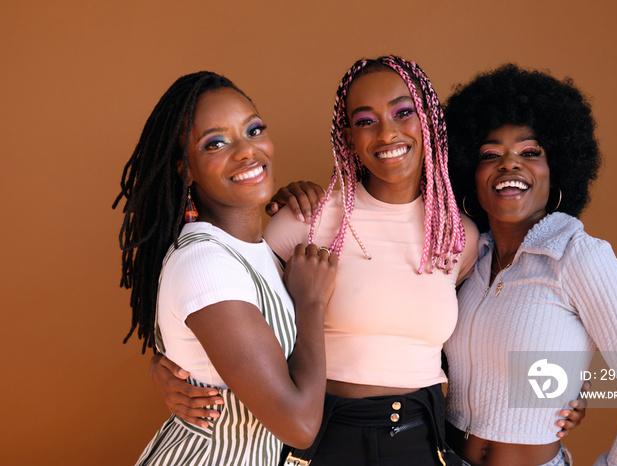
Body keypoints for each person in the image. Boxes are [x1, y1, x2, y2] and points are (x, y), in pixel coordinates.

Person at [148, 57, 585, 465]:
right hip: (322, 436)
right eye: (364, 121)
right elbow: (228, 299)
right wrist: (169, 366)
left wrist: (557, 386)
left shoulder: (459, 235)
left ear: (430, 121)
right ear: (347, 136)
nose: (387, 133)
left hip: (420, 433)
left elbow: (479, 335)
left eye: (403, 112)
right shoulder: (307, 220)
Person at [443, 64, 617, 466]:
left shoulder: (578, 256)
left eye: (530, 152)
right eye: (490, 154)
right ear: (471, 173)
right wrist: (562, 384)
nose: (509, 164)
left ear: (557, 173)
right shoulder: (466, 255)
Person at [113, 71, 337, 466]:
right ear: (186, 168)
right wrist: (311, 303)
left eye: (253, 130)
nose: (247, 151)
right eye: (215, 142)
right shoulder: (206, 263)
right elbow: (299, 425)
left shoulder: (256, 251)